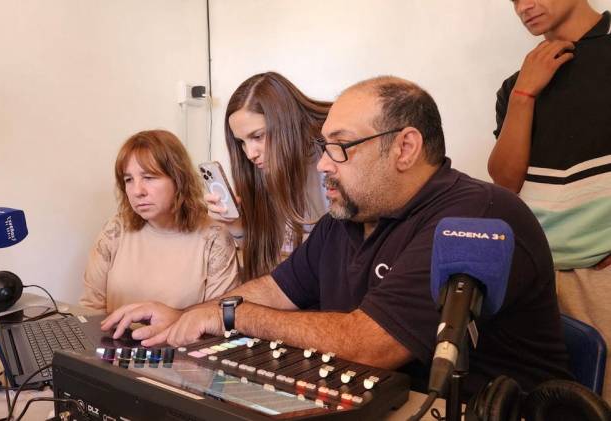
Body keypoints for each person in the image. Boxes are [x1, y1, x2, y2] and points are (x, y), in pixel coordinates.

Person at [102, 77, 572, 398]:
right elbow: (277, 288)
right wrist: (188, 317)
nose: (324, 163)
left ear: (405, 148)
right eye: (324, 147)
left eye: (340, 147)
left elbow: (372, 343)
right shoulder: (347, 218)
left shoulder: (475, 217)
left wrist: (232, 314)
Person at [488, 0, 611, 400]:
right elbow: (505, 180)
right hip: (539, 279)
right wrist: (524, 93)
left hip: (603, 276)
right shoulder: (514, 84)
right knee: (546, 403)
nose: (524, 6)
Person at [80, 129, 239, 314]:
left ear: (178, 179)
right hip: (111, 342)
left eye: (148, 177)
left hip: (183, 343)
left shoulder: (214, 237)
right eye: (128, 180)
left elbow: (219, 316)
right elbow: (90, 308)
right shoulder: (115, 230)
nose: (137, 191)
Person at [207, 72, 331, 280]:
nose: (250, 154)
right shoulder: (263, 170)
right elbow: (264, 255)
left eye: (257, 136)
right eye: (242, 142)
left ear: (286, 122)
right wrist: (236, 226)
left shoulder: (331, 155)